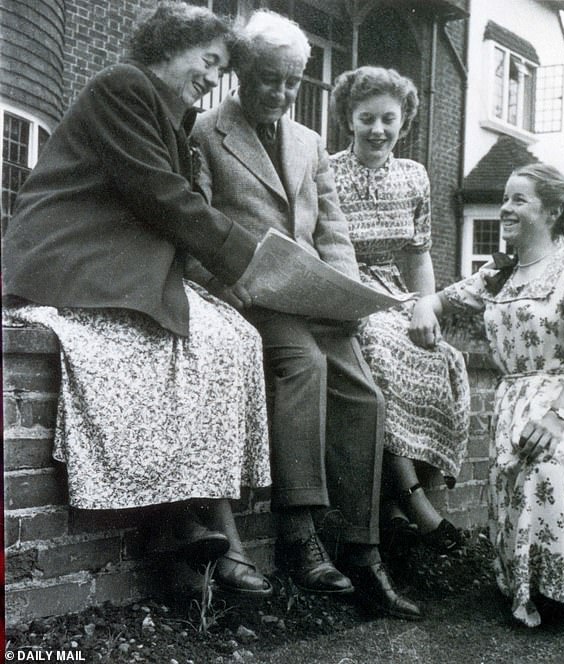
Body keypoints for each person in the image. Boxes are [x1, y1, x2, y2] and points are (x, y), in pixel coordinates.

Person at [2, 2, 273, 596]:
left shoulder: (169, 117)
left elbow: (169, 212)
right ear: (168, 47)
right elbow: (159, 194)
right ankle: (187, 525)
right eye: (208, 61)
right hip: (69, 252)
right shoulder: (123, 86)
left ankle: (182, 526)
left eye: (220, 69)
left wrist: (228, 278)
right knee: (169, 340)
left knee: (229, 337)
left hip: (113, 260)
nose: (212, 77)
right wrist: (244, 257)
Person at [191, 9, 421, 619]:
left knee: (364, 394)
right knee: (302, 365)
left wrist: (348, 294)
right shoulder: (205, 134)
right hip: (256, 295)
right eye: (271, 79)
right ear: (241, 72)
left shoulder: (310, 141)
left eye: (294, 81)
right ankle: (297, 535)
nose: (284, 93)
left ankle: (362, 551)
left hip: (316, 297)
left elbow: (333, 228)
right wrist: (224, 282)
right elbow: (194, 228)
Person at [415, 162, 564, 626]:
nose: (505, 208)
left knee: (548, 469)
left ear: (554, 210)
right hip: (514, 408)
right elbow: (440, 300)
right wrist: (423, 307)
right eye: (505, 199)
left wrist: (556, 419)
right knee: (525, 564)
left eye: (519, 199)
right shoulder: (499, 276)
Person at [329, 66, 470, 555]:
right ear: (349, 118)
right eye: (366, 118)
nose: (377, 130)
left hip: (396, 290)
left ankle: (394, 504)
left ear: (404, 122)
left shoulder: (414, 177)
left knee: (443, 357)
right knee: (382, 350)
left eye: (388, 119)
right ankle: (414, 505)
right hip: (347, 287)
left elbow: (418, 253)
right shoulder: (326, 170)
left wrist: (425, 307)